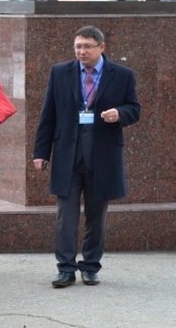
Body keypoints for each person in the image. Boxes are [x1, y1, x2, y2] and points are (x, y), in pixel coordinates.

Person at [32, 26, 140, 288]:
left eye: (87, 46)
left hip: (102, 156)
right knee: (65, 216)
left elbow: (134, 108)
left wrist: (120, 114)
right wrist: (40, 152)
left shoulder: (122, 75)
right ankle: (65, 268)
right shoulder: (60, 72)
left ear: (101, 47)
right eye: (78, 46)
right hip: (68, 156)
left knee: (96, 216)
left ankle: (91, 266)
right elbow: (49, 114)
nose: (81, 51)